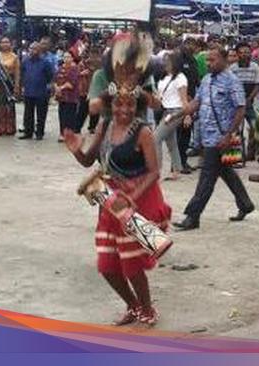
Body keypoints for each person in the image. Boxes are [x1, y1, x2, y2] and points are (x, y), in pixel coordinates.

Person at [63, 31, 169, 326]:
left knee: (132, 262)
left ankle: (147, 308)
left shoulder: (143, 130)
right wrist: (75, 149)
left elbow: (155, 171)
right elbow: (88, 155)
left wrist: (132, 199)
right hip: (108, 196)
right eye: (119, 105)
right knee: (107, 265)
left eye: (129, 106)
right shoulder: (106, 121)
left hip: (134, 196)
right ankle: (133, 306)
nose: (123, 108)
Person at [173, 46, 255, 231]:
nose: (209, 64)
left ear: (225, 60)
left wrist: (229, 135)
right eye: (208, 60)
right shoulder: (207, 79)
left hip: (221, 138)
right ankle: (245, 204)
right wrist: (181, 113)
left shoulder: (232, 82)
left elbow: (240, 109)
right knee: (226, 171)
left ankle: (192, 216)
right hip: (207, 135)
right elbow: (198, 102)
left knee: (206, 177)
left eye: (213, 60)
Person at [154, 52, 190, 181]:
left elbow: (184, 99)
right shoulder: (164, 78)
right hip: (165, 111)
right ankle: (177, 170)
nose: (165, 64)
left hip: (175, 112)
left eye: (168, 62)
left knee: (156, 138)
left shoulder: (180, 78)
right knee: (171, 142)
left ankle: (156, 171)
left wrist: (187, 115)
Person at [230, 41, 259, 161]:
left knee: (255, 126)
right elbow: (231, 87)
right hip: (236, 104)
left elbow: (258, 85)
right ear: (238, 54)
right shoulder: (232, 68)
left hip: (249, 102)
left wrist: (249, 99)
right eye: (242, 53)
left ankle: (251, 152)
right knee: (234, 128)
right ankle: (235, 155)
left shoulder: (255, 67)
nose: (245, 55)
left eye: (247, 52)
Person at [175, 37, 200, 174]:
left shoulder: (192, 60)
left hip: (191, 99)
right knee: (181, 132)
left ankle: (182, 161)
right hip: (181, 101)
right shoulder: (178, 59)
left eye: (193, 45)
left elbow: (196, 79)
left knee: (186, 132)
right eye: (189, 44)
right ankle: (178, 163)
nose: (191, 47)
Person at [19, 42, 54, 140]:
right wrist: (22, 87)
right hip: (28, 91)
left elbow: (50, 76)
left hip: (41, 92)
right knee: (28, 113)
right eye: (30, 48)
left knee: (41, 114)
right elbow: (22, 74)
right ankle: (28, 132)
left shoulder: (45, 62)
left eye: (34, 49)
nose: (32, 50)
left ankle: (39, 133)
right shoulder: (25, 61)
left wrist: (49, 88)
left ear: (39, 50)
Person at [54, 52, 80, 141]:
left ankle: (70, 134)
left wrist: (60, 87)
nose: (66, 59)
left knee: (70, 116)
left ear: (72, 58)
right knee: (62, 115)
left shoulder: (74, 69)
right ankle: (62, 133)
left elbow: (71, 84)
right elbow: (55, 79)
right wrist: (56, 87)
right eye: (64, 57)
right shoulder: (60, 68)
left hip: (71, 97)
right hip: (61, 97)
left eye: (68, 57)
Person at [76, 48, 101, 134]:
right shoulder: (83, 64)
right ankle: (77, 127)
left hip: (96, 89)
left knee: (95, 110)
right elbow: (76, 75)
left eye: (96, 55)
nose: (94, 58)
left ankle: (92, 127)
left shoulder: (101, 65)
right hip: (85, 90)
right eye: (92, 55)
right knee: (83, 110)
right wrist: (82, 73)